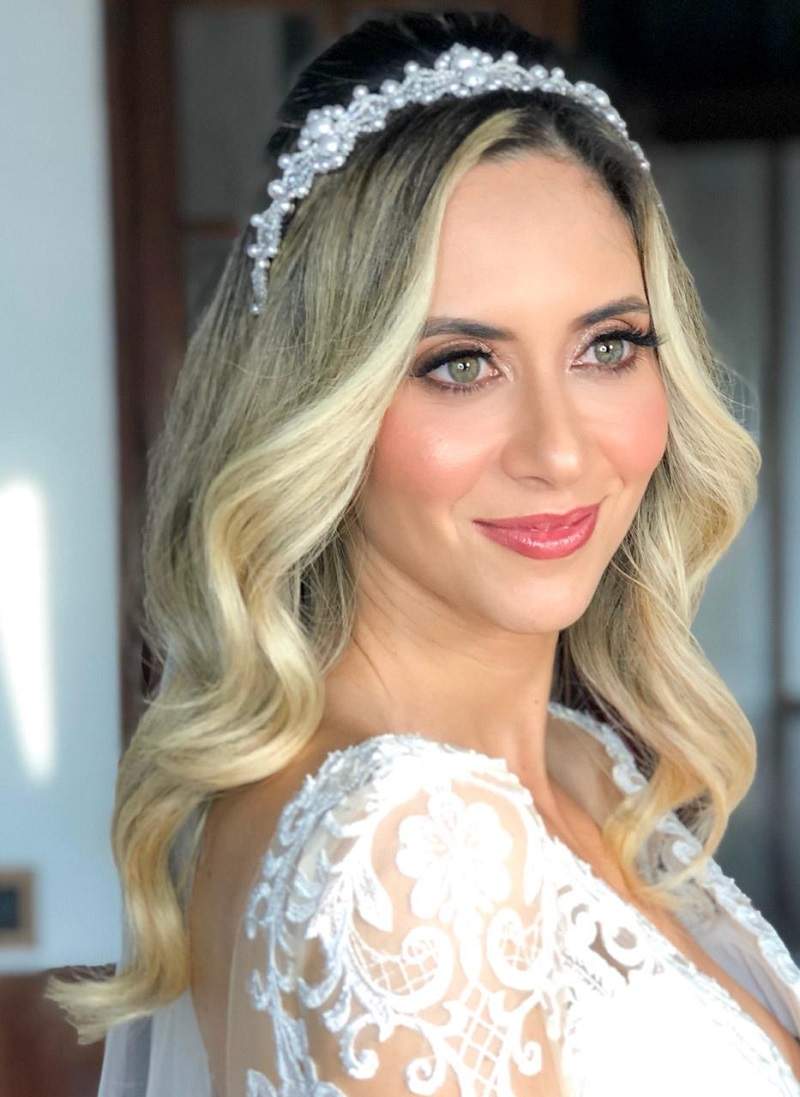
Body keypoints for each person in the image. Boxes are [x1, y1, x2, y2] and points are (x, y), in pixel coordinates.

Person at [47, 9, 800, 1097]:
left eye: (607, 345)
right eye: (459, 364)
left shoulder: (580, 760)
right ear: (323, 405)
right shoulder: (421, 845)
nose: (557, 450)